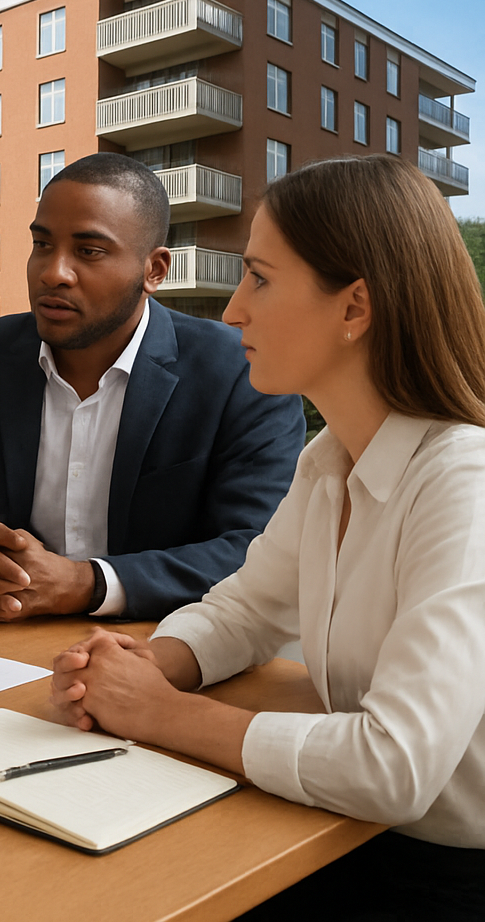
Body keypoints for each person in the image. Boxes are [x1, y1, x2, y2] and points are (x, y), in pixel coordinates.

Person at [50, 155, 485, 919]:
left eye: (258, 277)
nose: (232, 313)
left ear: (354, 308)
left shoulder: (465, 484)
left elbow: (396, 767)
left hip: (445, 873)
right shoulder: (330, 462)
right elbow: (244, 612)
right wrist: (136, 667)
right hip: (345, 833)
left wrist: (158, 712)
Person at [0, 153, 305, 622]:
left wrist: (87, 583)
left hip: (166, 650)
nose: (53, 272)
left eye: (89, 251)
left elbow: (258, 548)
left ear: (154, 270)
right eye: (42, 244)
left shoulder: (239, 373)